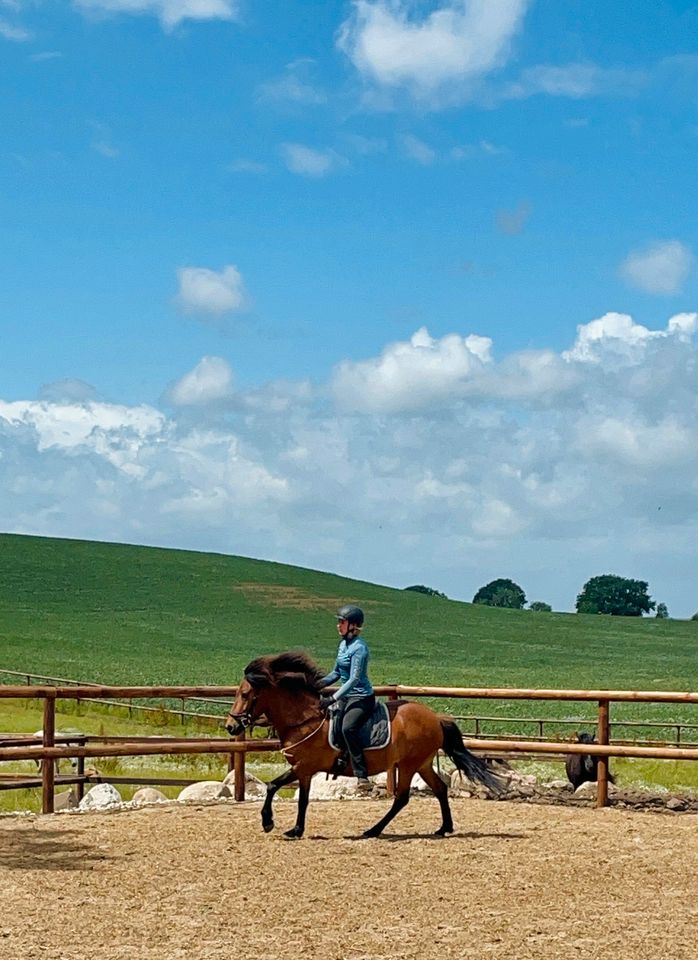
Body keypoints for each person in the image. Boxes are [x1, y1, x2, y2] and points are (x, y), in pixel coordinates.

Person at [318, 604, 375, 794]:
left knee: (348, 728)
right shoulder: (343, 645)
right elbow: (336, 673)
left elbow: (354, 679)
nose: (338, 625)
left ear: (353, 625)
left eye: (341, 622)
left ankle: (362, 775)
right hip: (346, 697)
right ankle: (341, 759)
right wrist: (317, 684)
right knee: (331, 726)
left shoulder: (360, 648)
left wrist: (332, 698)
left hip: (361, 697)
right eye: (338, 622)